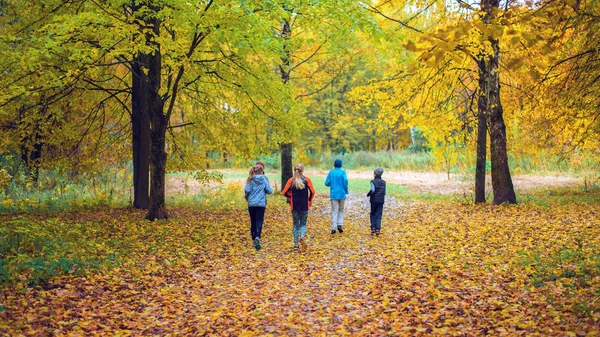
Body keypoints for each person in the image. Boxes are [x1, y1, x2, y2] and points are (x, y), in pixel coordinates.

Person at [282, 163, 316, 250]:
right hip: (304, 205)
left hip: (294, 206)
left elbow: (284, 192)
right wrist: (309, 199)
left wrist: (291, 196)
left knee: (295, 225)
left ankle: (296, 244)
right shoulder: (307, 180)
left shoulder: (291, 180)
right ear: (302, 170)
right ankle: (302, 236)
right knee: (303, 223)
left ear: (294, 170)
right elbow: (312, 192)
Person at [244, 161, 272, 250]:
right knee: (259, 220)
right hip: (261, 204)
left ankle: (254, 240)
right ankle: (257, 237)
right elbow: (269, 190)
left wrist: (246, 197)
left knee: (253, 221)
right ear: (263, 170)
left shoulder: (251, 178)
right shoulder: (264, 179)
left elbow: (247, 189)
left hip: (251, 203)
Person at [325, 159, 348, 234]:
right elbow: (345, 181)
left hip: (334, 194)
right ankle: (339, 224)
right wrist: (346, 190)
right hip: (342, 194)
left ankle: (334, 227)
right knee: (341, 210)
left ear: (334, 164)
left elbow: (327, 183)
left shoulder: (331, 172)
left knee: (334, 210)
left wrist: (331, 184)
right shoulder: (343, 172)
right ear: (341, 165)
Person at [367, 167, 386, 235]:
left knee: (372, 213)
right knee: (379, 214)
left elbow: (372, 190)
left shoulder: (372, 181)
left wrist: (368, 194)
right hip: (381, 200)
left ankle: (373, 228)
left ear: (375, 174)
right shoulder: (384, 182)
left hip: (374, 200)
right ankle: (378, 229)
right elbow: (384, 192)